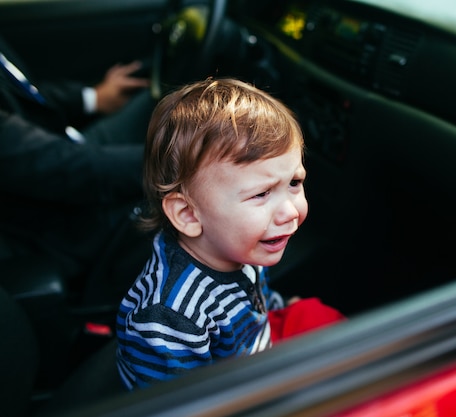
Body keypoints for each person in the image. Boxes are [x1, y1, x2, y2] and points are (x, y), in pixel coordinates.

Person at [116, 77, 344, 390]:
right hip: (227, 390)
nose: (290, 211)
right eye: (261, 194)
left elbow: (252, 294)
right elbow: (180, 406)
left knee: (327, 323)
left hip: (251, 346)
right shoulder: (169, 319)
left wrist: (278, 305)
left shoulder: (238, 244)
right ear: (188, 214)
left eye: (294, 183)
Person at [0, 33, 156, 303]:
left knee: (156, 104)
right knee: (187, 206)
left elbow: (21, 91)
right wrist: (182, 161)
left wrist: (92, 98)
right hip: (49, 219)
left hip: (60, 147)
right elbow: (58, 167)